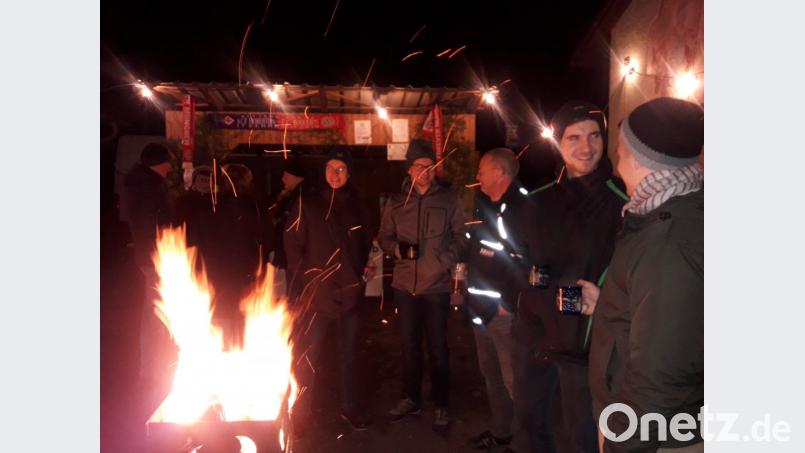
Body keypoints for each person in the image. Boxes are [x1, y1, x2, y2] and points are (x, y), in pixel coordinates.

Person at [588, 97, 704, 452]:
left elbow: (660, 373)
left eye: (621, 150)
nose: (617, 160)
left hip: (655, 435)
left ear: (639, 159)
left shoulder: (667, 239)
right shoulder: (666, 212)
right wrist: (608, 303)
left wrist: (620, 439)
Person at [511, 101, 627, 453]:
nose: (586, 147)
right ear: (558, 144)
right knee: (530, 426)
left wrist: (600, 297)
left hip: (585, 345)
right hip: (536, 334)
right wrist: (523, 299)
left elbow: (631, 272)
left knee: (583, 437)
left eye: (594, 136)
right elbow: (523, 262)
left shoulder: (622, 201)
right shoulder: (539, 200)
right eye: (573, 137)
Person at [378, 138, 466, 432]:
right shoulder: (395, 202)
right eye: (419, 166)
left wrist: (441, 262)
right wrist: (398, 251)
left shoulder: (449, 199)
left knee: (438, 348)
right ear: (409, 170)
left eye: (430, 166)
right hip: (405, 288)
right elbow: (384, 238)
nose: (425, 171)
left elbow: (460, 238)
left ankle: (441, 403)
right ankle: (410, 398)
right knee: (408, 347)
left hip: (437, 288)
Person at [284, 149, 373, 432]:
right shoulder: (307, 204)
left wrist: (364, 270)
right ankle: (301, 409)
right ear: (323, 171)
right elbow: (293, 247)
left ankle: (349, 406)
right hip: (316, 295)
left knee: (350, 355)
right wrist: (303, 286)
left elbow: (366, 244)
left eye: (342, 169)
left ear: (349, 173)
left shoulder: (358, 205)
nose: (336, 174)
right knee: (308, 355)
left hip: (349, 294)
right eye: (331, 168)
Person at [465, 147, 537, 451]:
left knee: (516, 383)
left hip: (504, 316)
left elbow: (529, 265)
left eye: (482, 169)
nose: (477, 176)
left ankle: (525, 442)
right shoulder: (482, 207)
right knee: (492, 377)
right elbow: (477, 253)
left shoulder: (523, 210)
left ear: (500, 173)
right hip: (480, 312)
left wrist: (508, 305)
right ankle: (502, 433)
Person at [121, 143, 178, 411]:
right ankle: (153, 373)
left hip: (150, 256)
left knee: (152, 312)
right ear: (159, 162)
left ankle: (152, 369)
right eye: (168, 161)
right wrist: (163, 252)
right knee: (156, 313)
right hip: (155, 258)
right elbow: (153, 225)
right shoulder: (148, 187)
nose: (171, 167)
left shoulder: (142, 184)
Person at [190, 163, 262, 348]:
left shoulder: (209, 205)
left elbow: (195, 238)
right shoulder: (253, 207)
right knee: (243, 314)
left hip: (214, 269)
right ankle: (240, 352)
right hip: (243, 271)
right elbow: (263, 239)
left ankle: (220, 353)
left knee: (218, 314)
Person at [266, 158, 306, 271]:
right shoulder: (290, 197)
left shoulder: (299, 200)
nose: (283, 179)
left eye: (286, 175)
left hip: (290, 259)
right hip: (286, 257)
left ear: (295, 177)